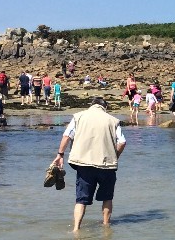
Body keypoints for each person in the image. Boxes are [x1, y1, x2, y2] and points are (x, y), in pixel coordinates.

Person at [52, 97, 126, 232]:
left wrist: (60, 155)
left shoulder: (79, 116)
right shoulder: (113, 120)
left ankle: (76, 229)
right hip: (107, 165)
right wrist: (114, 156)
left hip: (84, 165)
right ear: (105, 107)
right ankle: (106, 227)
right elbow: (122, 142)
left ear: (91, 106)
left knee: (81, 199)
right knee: (107, 197)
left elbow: (67, 136)